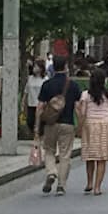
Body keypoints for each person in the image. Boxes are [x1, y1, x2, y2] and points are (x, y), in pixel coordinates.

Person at [35, 56, 82, 196]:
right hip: (67, 124)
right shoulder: (72, 85)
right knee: (65, 155)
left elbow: (40, 107)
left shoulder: (47, 84)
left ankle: (51, 172)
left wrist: (37, 128)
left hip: (50, 124)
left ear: (53, 67)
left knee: (49, 150)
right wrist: (80, 124)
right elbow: (78, 107)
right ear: (66, 66)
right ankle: (61, 185)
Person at [78, 68, 108, 195]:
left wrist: (79, 128)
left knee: (90, 157)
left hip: (90, 126)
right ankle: (97, 187)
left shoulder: (85, 94)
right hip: (105, 125)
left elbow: (82, 113)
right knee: (101, 158)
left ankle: (89, 183)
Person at [22, 61, 47, 137]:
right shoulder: (30, 78)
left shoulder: (45, 79)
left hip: (41, 104)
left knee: (40, 122)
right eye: (34, 66)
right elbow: (26, 91)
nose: (34, 68)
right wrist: (23, 101)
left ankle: (40, 136)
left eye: (36, 67)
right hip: (31, 103)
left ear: (41, 68)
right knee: (30, 121)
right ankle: (35, 135)